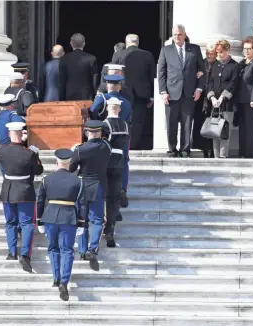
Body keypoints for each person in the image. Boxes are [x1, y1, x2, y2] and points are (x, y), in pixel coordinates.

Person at [36, 148, 87, 301]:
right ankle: (64, 282)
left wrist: (39, 220)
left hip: (50, 216)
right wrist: (81, 223)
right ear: (70, 163)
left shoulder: (46, 179)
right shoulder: (78, 180)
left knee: (53, 248)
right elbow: (83, 203)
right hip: (69, 217)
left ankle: (56, 278)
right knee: (67, 251)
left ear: (56, 162)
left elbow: (40, 201)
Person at [0, 122, 44, 272]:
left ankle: (12, 252)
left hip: (8, 191)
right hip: (24, 191)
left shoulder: (2, 151)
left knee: (10, 223)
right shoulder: (29, 153)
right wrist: (36, 154)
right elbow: (38, 170)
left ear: (10, 134)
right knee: (27, 224)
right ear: (22, 134)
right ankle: (25, 256)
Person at [69, 120, 111, 271]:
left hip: (83, 186)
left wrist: (74, 151)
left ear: (87, 132)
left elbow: (72, 167)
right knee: (98, 220)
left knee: (82, 220)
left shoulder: (80, 149)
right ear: (100, 132)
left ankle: (81, 251)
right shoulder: (106, 147)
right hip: (98, 185)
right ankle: (92, 249)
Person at [158, 24, 205, 158]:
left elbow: (202, 71)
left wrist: (199, 89)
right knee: (171, 122)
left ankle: (185, 149)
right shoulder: (165, 50)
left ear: (184, 35)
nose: (177, 37)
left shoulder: (194, 49)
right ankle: (172, 149)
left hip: (189, 93)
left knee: (187, 123)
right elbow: (161, 73)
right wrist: (163, 92)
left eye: (179, 34)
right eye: (174, 35)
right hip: (171, 93)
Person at [90, 74, 132, 208]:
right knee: (124, 161)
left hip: (106, 134)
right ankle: (122, 189)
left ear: (107, 85)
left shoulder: (102, 98)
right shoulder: (126, 103)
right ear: (119, 87)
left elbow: (92, 113)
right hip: (123, 134)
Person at [112, 34, 156, 150]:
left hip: (122, 93)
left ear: (126, 43)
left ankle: (122, 145)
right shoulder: (148, 55)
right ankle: (133, 145)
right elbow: (152, 77)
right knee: (138, 121)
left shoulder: (119, 54)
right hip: (142, 94)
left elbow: (113, 75)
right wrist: (152, 96)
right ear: (138, 42)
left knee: (122, 119)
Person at [102, 97, 130, 247]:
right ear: (118, 109)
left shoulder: (104, 125)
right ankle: (110, 229)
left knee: (104, 196)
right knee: (113, 197)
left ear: (107, 108)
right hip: (119, 161)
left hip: (106, 160)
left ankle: (102, 225)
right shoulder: (124, 124)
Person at [207, 40, 239, 158]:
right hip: (215, 105)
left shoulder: (234, 65)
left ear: (227, 50)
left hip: (227, 105)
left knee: (225, 131)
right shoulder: (214, 65)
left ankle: (223, 156)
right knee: (215, 131)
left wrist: (222, 97)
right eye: (217, 52)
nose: (219, 55)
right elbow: (210, 82)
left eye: (221, 52)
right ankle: (216, 157)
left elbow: (233, 83)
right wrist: (212, 98)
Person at [192, 43, 216, 158]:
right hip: (201, 99)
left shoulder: (218, 64)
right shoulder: (201, 63)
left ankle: (212, 149)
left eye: (212, 53)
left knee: (212, 125)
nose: (209, 55)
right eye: (207, 53)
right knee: (200, 124)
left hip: (214, 99)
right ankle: (203, 148)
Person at [59, 33, 98, 101]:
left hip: (69, 96)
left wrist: (61, 99)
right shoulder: (91, 59)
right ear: (84, 43)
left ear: (71, 43)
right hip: (86, 97)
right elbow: (94, 81)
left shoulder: (64, 59)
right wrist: (95, 95)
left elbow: (61, 82)